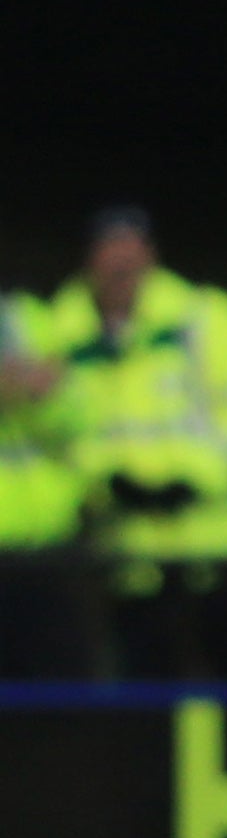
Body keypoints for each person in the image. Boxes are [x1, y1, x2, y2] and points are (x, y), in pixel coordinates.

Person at [47, 208, 227, 678]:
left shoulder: (207, 316)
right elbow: (64, 430)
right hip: (136, 560)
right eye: (108, 248)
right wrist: (112, 483)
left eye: (132, 247)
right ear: (87, 259)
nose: (121, 261)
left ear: (152, 254)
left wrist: (193, 481)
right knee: (149, 715)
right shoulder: (60, 335)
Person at [0, 286, 88, 677]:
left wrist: (43, 394)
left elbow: (80, 416)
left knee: (53, 693)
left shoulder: (30, 316)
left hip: (46, 547)